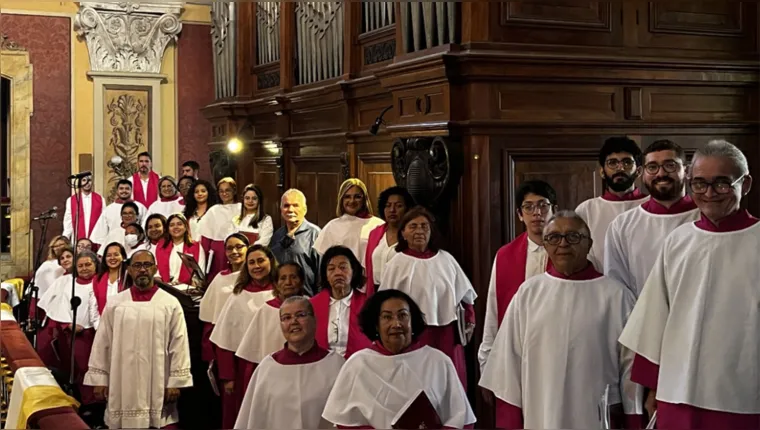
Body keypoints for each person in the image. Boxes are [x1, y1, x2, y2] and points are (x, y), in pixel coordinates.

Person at [619, 140, 759, 429]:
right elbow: (655, 317)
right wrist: (654, 387)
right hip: (678, 391)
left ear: (744, 185)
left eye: (721, 184)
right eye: (699, 184)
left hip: (744, 394)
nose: (709, 194)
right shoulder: (679, 240)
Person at [480, 211, 641, 429]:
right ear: (545, 246)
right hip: (541, 413)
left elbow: (631, 366)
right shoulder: (528, 294)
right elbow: (508, 364)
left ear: (589, 243)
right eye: (554, 238)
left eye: (573, 236)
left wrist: (631, 417)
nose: (563, 244)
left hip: (597, 414)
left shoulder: (617, 296)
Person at [322, 290, 476, 429]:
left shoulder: (438, 361)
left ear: (412, 321)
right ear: (376, 325)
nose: (396, 324)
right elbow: (345, 423)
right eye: (387, 317)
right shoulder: (358, 364)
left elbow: (461, 418)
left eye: (402, 315)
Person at [84, 250, 193, 429]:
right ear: (129, 270)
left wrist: (175, 380)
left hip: (158, 377)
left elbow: (179, 343)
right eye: (137, 265)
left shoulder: (170, 303)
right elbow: (103, 342)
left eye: (147, 265)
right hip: (121, 378)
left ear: (155, 268)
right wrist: (100, 379)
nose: (142, 270)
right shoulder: (116, 303)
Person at [379, 206, 476, 388]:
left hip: (446, 332)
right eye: (413, 226)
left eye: (424, 226)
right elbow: (385, 302)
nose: (419, 231)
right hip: (412, 334)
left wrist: (470, 317)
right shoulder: (396, 264)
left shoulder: (446, 259)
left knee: (447, 382)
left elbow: (465, 295)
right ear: (403, 233)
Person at [478, 180, 558, 371]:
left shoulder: (568, 252)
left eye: (542, 205)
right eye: (528, 207)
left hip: (556, 349)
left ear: (554, 209)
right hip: (517, 352)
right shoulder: (505, 256)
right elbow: (493, 310)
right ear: (520, 215)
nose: (536, 213)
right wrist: (486, 362)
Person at [605, 140, 699, 297]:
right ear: (643, 174)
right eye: (652, 167)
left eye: (670, 165)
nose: (661, 173)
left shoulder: (706, 217)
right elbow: (617, 286)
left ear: (687, 171)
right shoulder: (622, 225)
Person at [235, 296, 345, 429]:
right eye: (286, 318)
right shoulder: (267, 367)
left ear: (314, 320)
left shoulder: (336, 364)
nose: (294, 322)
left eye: (300, 315)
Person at [209, 244, 276, 429]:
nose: (256, 266)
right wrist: (228, 376)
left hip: (274, 365)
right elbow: (225, 339)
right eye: (251, 262)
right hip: (243, 368)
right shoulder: (238, 296)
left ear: (271, 261)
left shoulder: (281, 292)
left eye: (261, 260)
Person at [38, 251, 101, 406]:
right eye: (80, 265)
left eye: (88, 264)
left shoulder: (102, 282)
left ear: (95, 265)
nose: (84, 268)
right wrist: (68, 324)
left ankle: (93, 405)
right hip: (70, 334)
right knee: (77, 370)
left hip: (95, 334)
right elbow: (55, 306)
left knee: (93, 370)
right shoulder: (66, 281)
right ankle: (80, 402)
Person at [575, 137, 648, 270]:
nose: (620, 168)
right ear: (602, 171)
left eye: (627, 162)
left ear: (638, 171)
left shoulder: (651, 206)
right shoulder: (586, 210)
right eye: (612, 163)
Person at [236, 263, 307, 380]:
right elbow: (253, 355)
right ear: (276, 283)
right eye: (283, 278)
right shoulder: (266, 310)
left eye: (293, 277)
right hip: (272, 375)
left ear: (302, 281)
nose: (288, 282)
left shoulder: (312, 306)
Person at [310, 246, 372, 358]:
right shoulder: (312, 305)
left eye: (343, 267)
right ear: (326, 275)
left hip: (359, 365)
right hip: (322, 366)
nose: (338, 272)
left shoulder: (368, 304)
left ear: (353, 271)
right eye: (331, 269)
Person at [199, 233, 250, 362]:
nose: (234, 251)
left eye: (239, 247)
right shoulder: (220, 277)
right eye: (229, 248)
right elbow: (209, 313)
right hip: (223, 336)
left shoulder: (253, 278)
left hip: (246, 333)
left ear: (248, 248)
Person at [314, 178, 384, 267]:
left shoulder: (378, 225)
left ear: (365, 199)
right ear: (341, 199)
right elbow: (325, 262)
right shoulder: (332, 226)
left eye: (357, 197)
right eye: (347, 196)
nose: (352, 201)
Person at [269, 189, 321, 295]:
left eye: (295, 205)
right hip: (281, 299)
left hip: (308, 299)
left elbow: (322, 274)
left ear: (305, 209)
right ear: (281, 209)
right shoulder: (277, 235)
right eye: (286, 206)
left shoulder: (315, 234)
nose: (290, 209)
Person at [364, 186, 415, 294]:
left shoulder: (412, 235)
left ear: (407, 208)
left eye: (398, 206)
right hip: (377, 292)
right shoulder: (375, 233)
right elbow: (369, 271)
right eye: (388, 206)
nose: (392, 210)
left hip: (403, 293)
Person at [198, 177, 242, 281]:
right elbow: (206, 236)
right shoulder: (214, 210)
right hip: (218, 252)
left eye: (227, 190)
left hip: (237, 248)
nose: (224, 193)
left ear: (234, 191)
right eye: (221, 191)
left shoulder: (241, 208)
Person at [90, 179, 147, 245]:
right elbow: (101, 232)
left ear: (131, 191)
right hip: (114, 245)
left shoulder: (141, 207)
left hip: (135, 245)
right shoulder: (108, 209)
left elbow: (145, 228)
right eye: (121, 188)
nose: (124, 191)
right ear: (117, 191)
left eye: (127, 189)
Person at [154, 213, 205, 287]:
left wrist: (186, 286)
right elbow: (156, 270)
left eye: (179, 224)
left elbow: (200, 275)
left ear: (185, 227)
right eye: (172, 225)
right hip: (165, 288)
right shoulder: (160, 246)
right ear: (168, 229)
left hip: (187, 290)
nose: (176, 227)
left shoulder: (196, 247)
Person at [29, 235, 70, 320]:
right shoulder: (47, 264)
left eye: (61, 245)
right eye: (55, 246)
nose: (58, 248)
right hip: (42, 298)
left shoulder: (69, 263)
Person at [63, 173, 106, 241]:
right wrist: (65, 237)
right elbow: (68, 221)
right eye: (84, 180)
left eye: (89, 180)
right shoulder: (71, 200)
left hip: (96, 238)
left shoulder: (100, 199)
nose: (87, 183)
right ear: (80, 182)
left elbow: (104, 220)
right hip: (78, 239)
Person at [91, 242, 126, 318]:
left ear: (123, 257)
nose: (112, 258)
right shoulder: (97, 279)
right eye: (108, 255)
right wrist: (99, 326)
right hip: (104, 323)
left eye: (116, 255)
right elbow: (94, 306)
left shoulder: (129, 277)